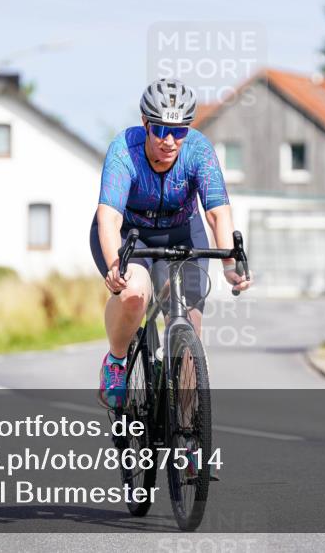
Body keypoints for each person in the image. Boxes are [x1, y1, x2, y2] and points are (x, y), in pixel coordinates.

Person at [90, 78, 250, 408]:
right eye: (160, 129)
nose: (169, 140)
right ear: (145, 123)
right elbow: (109, 218)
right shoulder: (125, 151)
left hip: (181, 232)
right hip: (130, 235)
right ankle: (116, 362)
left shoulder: (198, 150)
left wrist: (231, 266)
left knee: (191, 326)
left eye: (179, 131)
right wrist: (114, 267)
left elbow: (218, 214)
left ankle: (188, 432)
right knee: (134, 294)